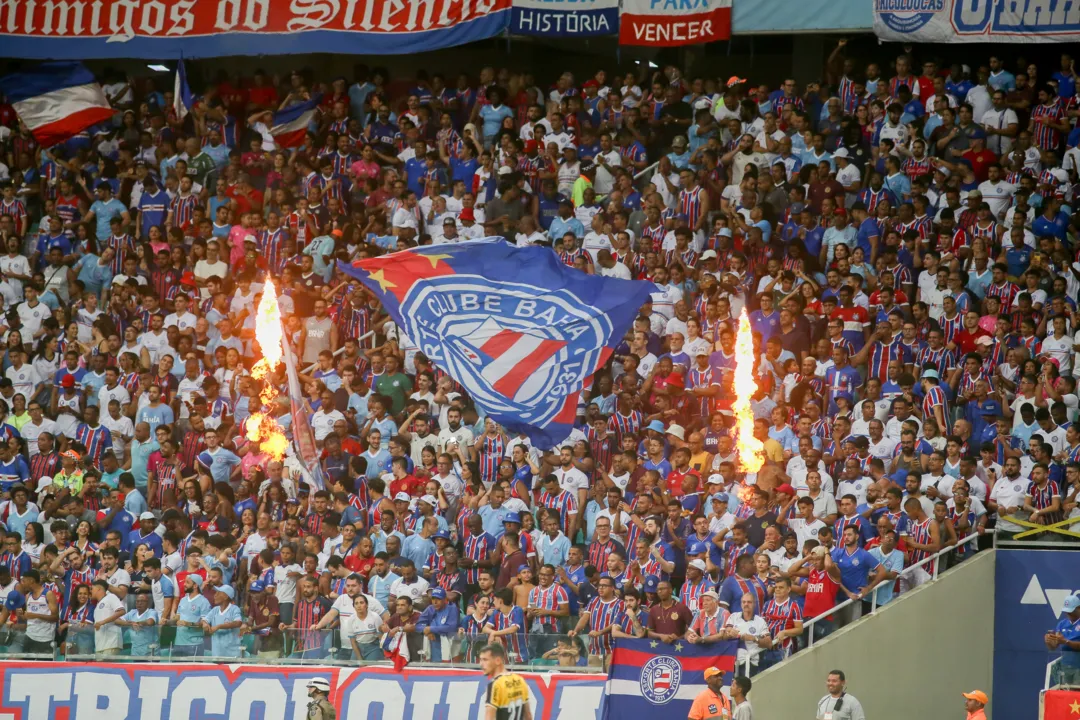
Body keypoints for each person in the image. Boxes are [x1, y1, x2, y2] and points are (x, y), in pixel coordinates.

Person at [479, 642, 532, 720]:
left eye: (485, 660)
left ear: (498, 660)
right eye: (480, 660)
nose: (481, 664)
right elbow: (528, 716)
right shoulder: (520, 680)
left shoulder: (495, 684)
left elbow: (489, 717)